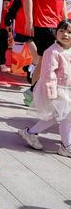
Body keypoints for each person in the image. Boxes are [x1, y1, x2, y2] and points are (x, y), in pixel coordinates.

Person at [18, 19, 71, 158]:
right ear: (56, 33)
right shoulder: (52, 52)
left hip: (67, 89)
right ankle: (66, 146)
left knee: (59, 117)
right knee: (64, 117)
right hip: (57, 90)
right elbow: (48, 74)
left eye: (69, 32)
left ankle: (30, 133)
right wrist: (51, 93)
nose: (65, 34)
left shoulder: (69, 50)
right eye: (62, 31)